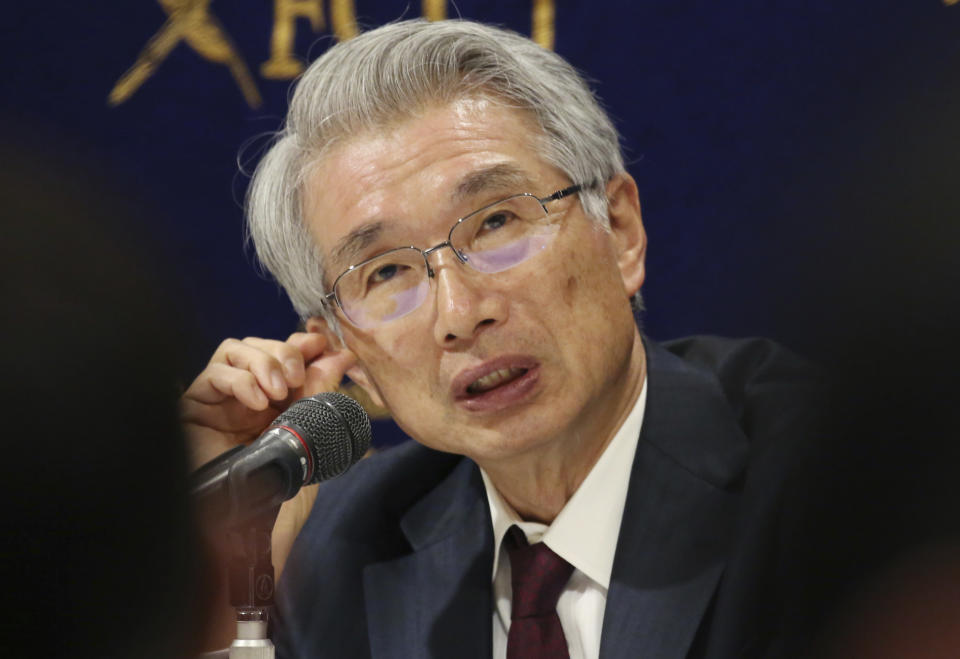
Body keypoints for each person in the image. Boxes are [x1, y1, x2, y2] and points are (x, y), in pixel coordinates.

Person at [181, 20, 821, 658]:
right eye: (386, 271)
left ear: (620, 231)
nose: (459, 313)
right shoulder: (332, 553)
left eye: (496, 222)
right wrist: (219, 573)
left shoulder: (825, 481)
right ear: (350, 354)